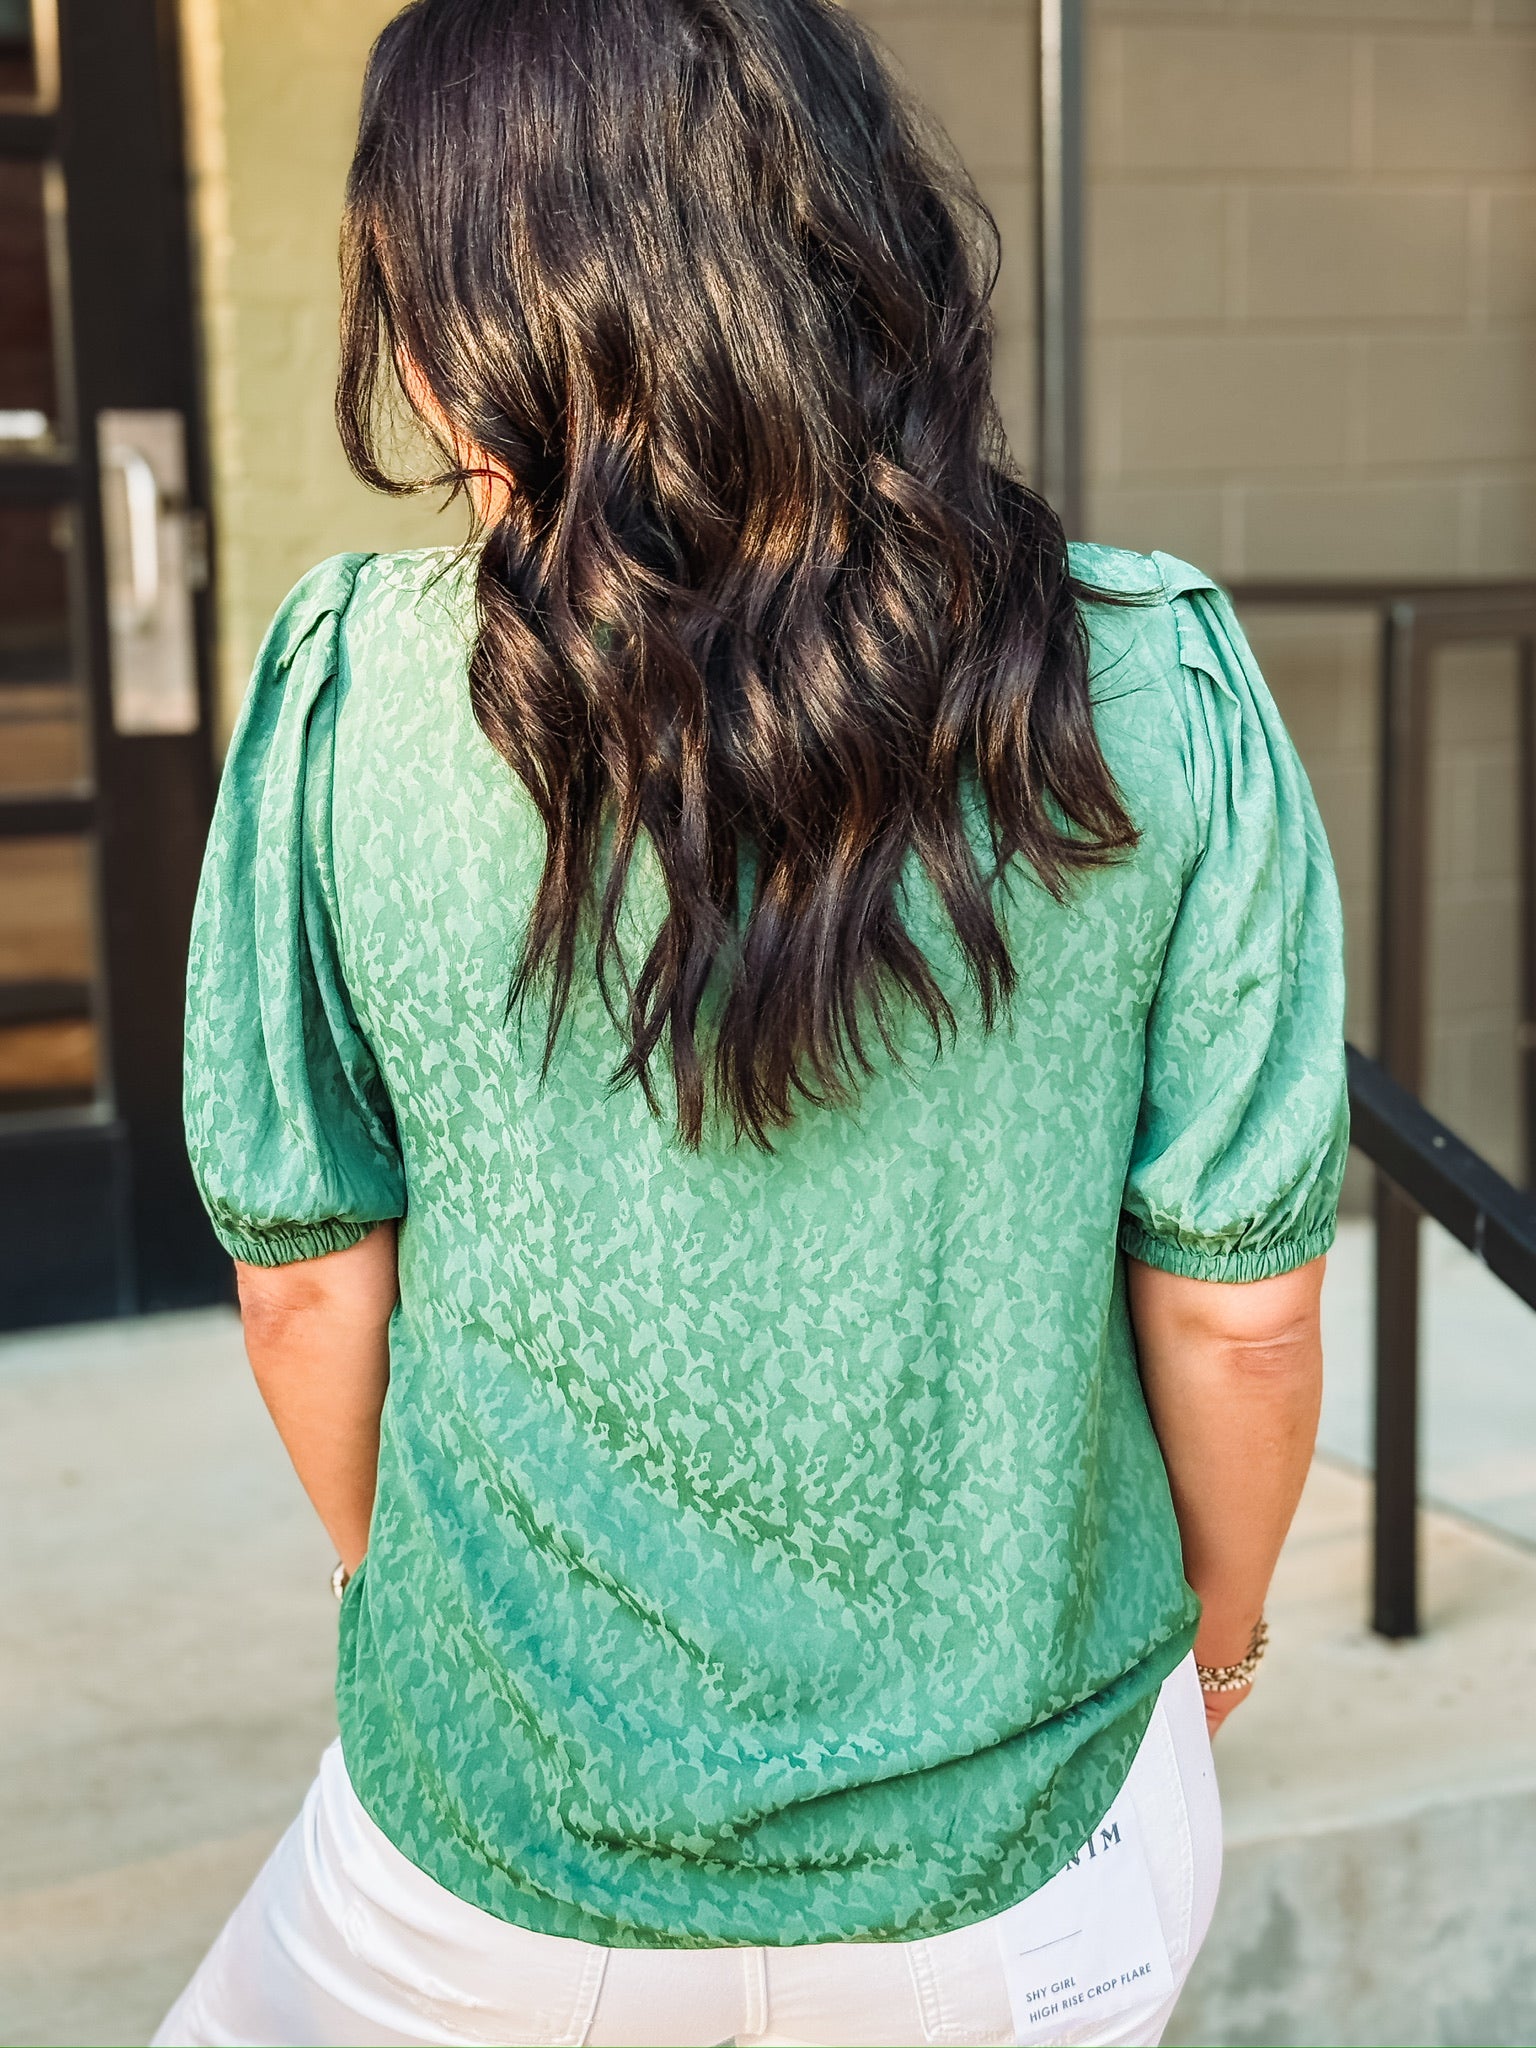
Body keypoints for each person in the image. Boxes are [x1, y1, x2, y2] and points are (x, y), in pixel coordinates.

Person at [156, 0, 1347, 2041]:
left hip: (483, 1879)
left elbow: (305, 1293)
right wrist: (1215, 1640)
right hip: (1026, 1878)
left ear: (476, 312)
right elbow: (1239, 1309)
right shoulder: (1153, 677)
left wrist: (417, 1598)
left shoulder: (352, 688)